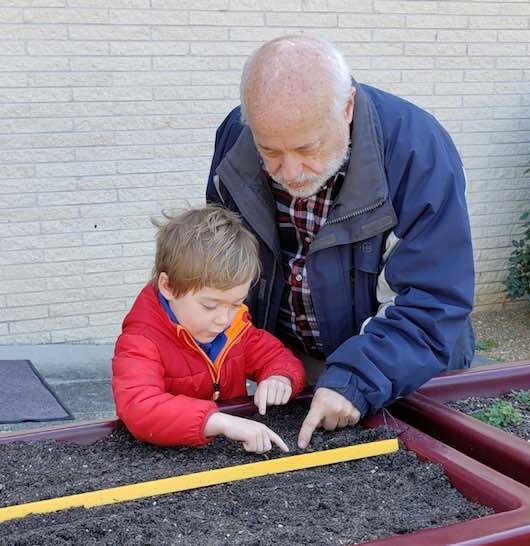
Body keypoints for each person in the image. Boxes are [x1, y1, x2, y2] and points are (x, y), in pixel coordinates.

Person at [206, 36, 475, 449]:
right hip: (294, 368)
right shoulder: (236, 136)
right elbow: (222, 263)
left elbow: (433, 300)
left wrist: (356, 378)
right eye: (270, 151)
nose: (290, 172)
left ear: (346, 107)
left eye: (307, 148)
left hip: (406, 369)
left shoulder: (417, 152)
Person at [112, 206, 306, 453]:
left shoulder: (236, 328)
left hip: (224, 451)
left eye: (236, 304)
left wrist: (280, 377)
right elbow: (139, 406)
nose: (223, 319)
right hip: (168, 458)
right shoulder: (141, 340)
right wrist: (220, 422)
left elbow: (276, 356)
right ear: (168, 287)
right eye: (210, 305)